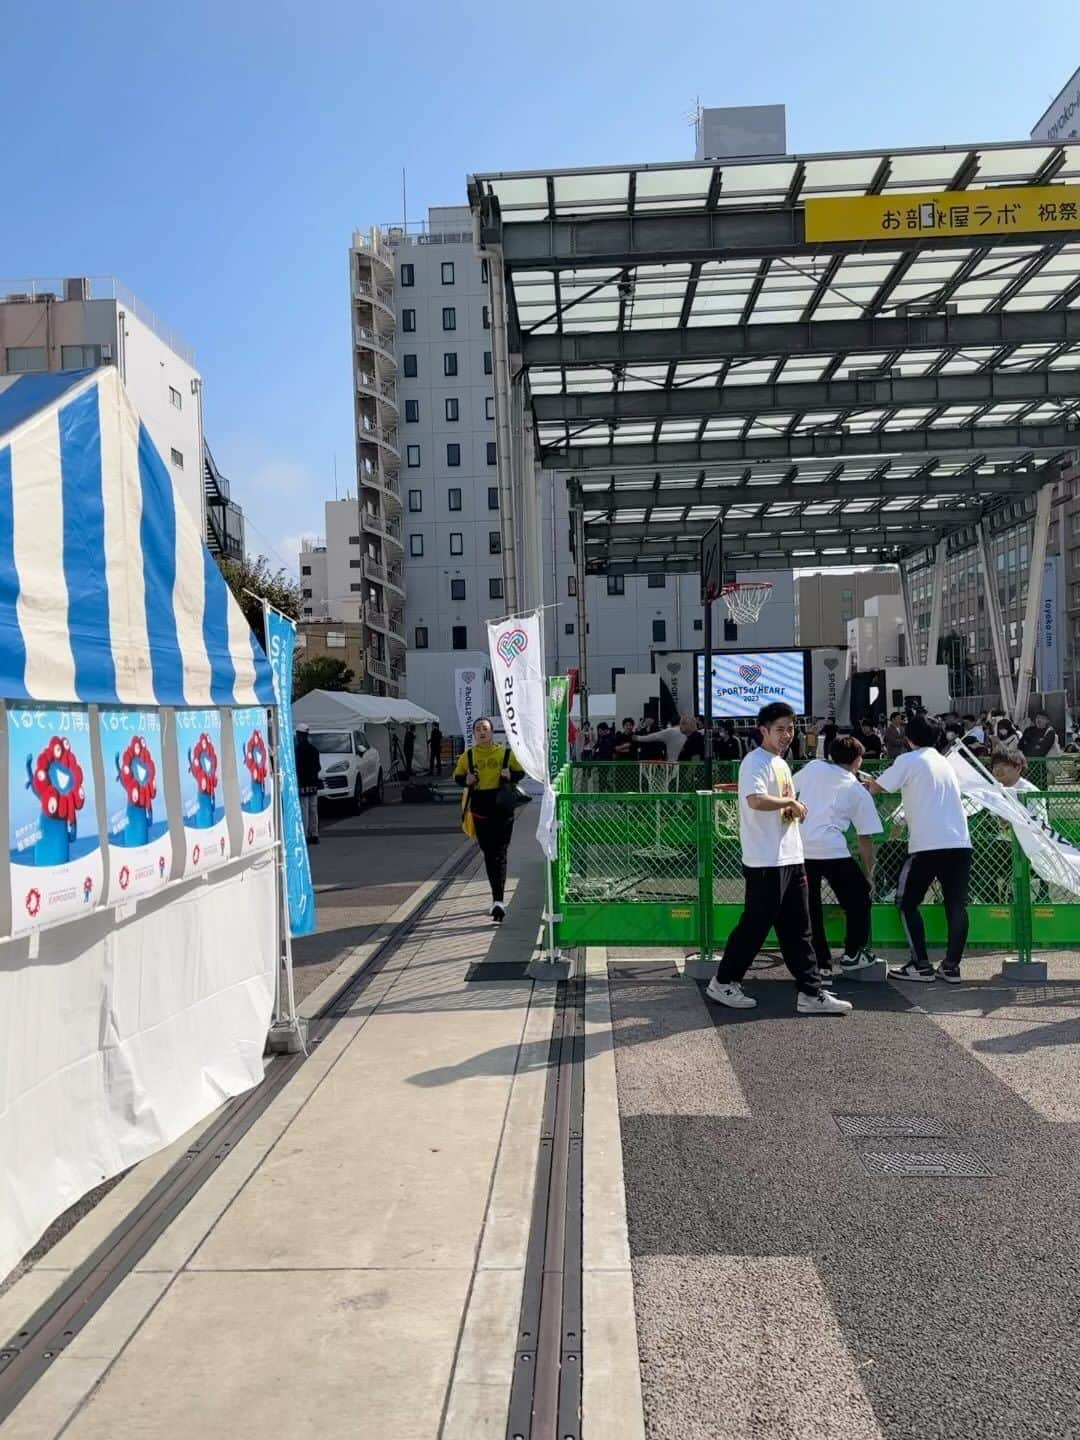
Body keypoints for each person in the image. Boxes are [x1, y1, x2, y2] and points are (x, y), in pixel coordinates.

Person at [705, 701, 853, 1016]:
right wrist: (790, 802)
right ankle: (724, 981)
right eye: (780, 729)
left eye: (790, 729)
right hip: (764, 861)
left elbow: (776, 803)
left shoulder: (781, 764)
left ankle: (811, 992)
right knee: (755, 926)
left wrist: (790, 807)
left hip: (790, 856)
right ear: (763, 731)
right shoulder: (754, 762)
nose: (787, 735)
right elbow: (756, 800)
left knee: (799, 928)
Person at [865, 711, 972, 983]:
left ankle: (921, 964)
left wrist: (862, 782)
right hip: (959, 843)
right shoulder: (945, 762)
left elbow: (875, 788)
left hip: (926, 845)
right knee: (956, 906)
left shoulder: (907, 760)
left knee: (906, 902)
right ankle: (951, 966)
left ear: (908, 737)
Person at [795, 735, 883, 980]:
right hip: (833, 850)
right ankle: (853, 953)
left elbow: (790, 786)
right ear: (857, 760)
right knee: (859, 899)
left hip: (800, 847)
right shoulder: (857, 790)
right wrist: (869, 874)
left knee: (809, 907)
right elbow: (865, 838)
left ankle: (820, 961)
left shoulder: (814, 767)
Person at [454, 717, 525, 923]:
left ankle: (498, 901)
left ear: (492, 732)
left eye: (485, 729)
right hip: (480, 810)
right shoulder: (467, 757)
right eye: (478, 729)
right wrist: (465, 780)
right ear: (474, 734)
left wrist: (510, 775)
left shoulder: (506, 754)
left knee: (500, 853)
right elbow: (457, 776)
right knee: (489, 853)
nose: (482, 732)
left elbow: (520, 772)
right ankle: (497, 898)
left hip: (502, 809)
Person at [295, 724, 322, 846]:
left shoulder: (297, 751)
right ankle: (314, 834)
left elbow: (296, 768)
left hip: (302, 784)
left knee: (304, 809)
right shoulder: (314, 750)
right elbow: (318, 767)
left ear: (299, 735)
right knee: (313, 809)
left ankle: (305, 835)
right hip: (313, 783)